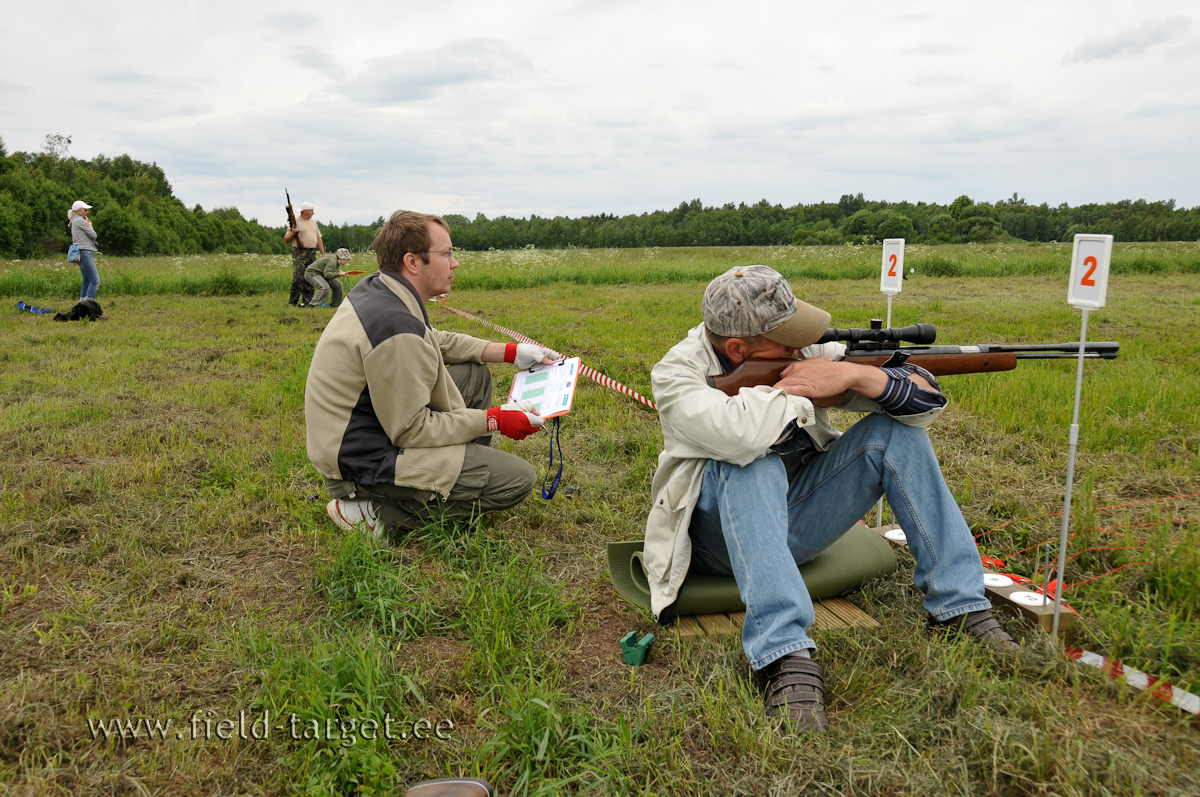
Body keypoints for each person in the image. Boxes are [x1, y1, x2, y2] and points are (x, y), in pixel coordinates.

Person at [642, 264, 1017, 734]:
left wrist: (860, 377)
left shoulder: (805, 350)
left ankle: (961, 607)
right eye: (787, 341)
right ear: (738, 349)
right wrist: (809, 389)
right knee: (752, 462)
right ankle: (784, 655)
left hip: (797, 522)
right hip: (717, 546)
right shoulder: (677, 372)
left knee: (895, 436)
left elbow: (922, 401)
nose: (804, 348)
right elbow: (739, 436)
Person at [304, 210, 560, 537]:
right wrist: (494, 419)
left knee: (474, 372)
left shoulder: (382, 288)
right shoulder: (393, 327)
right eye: (447, 254)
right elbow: (411, 430)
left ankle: (458, 467)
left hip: (370, 428)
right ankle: (374, 512)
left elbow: (433, 339)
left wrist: (511, 352)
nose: (455, 263)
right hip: (362, 460)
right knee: (516, 479)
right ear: (413, 262)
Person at [284, 201, 325, 306]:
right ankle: (293, 302)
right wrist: (293, 233)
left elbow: (319, 238)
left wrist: (322, 253)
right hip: (299, 252)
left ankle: (308, 302)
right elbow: (286, 239)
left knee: (310, 276)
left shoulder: (314, 222)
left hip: (312, 252)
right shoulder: (295, 222)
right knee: (298, 277)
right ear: (304, 211)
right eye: (311, 210)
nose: (313, 212)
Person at [69, 200, 99, 300]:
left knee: (86, 280)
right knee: (95, 281)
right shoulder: (80, 221)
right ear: (78, 211)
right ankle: (88, 304)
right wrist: (90, 226)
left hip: (81, 252)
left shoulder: (74, 221)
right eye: (85, 210)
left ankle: (82, 303)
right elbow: (94, 235)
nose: (87, 212)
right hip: (86, 251)